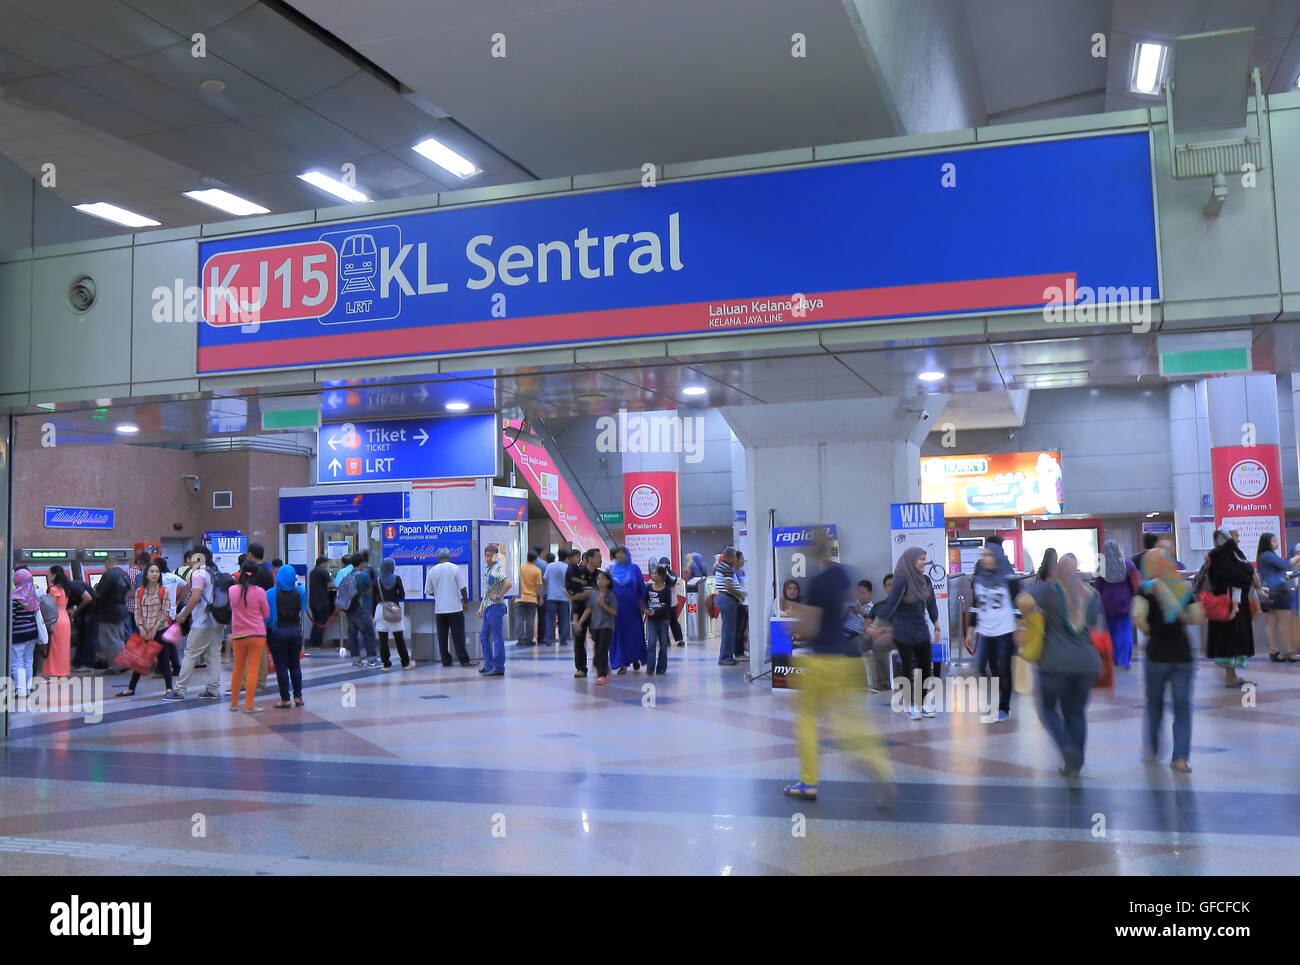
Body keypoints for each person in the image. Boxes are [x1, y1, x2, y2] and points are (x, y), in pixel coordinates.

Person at [784, 530, 894, 804]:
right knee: (854, 721)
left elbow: (810, 628)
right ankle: (879, 766)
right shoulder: (845, 574)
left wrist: (792, 623)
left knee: (806, 718)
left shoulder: (817, 582)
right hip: (851, 659)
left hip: (823, 662)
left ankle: (808, 782)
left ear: (813, 551)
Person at [1021, 553, 1102, 778]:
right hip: (1086, 662)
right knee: (1076, 713)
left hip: (1055, 662)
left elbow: (1023, 601)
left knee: (1047, 709)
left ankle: (1067, 747)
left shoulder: (1050, 590)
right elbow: (1093, 622)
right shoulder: (1090, 593)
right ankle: (1074, 764)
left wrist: (1036, 615)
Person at [1135, 543, 1198, 773]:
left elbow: (1138, 619)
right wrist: (1179, 613)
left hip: (1157, 656)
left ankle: (1152, 749)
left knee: (1154, 705)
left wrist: (1152, 631)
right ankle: (1180, 759)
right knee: (1182, 708)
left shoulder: (1145, 589)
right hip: (1183, 655)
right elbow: (1197, 617)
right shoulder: (1182, 587)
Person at [873, 547, 941, 720]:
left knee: (926, 666)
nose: (923, 562)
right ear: (910, 561)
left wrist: (937, 626)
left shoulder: (925, 580)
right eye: (920, 559)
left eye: (924, 558)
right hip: (903, 629)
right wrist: (875, 625)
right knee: (908, 667)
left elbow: (931, 604)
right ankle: (910, 704)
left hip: (921, 629)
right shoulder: (902, 581)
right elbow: (890, 605)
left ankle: (924, 702)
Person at [966, 543, 1020, 721]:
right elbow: (976, 604)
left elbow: (1018, 603)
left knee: (1004, 668)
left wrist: (1019, 628)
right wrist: (970, 630)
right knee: (984, 666)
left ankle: (1004, 706)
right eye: (984, 555)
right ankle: (1001, 693)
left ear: (997, 556)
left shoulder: (1009, 578)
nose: (987, 559)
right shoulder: (978, 578)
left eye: (990, 555)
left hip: (1005, 629)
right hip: (985, 630)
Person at [1203, 530, 1256, 689]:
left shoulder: (1219, 557)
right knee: (1231, 641)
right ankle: (1230, 677)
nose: (1237, 540)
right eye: (1234, 537)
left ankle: (1232, 676)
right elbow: (1240, 577)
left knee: (1230, 641)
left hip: (1227, 606)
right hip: (1229, 607)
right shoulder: (1225, 558)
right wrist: (1249, 578)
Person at [117, 563, 178, 699]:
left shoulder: (164, 591)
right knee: (140, 660)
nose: (155, 574)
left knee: (164, 658)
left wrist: (154, 629)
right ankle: (131, 688)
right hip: (144, 630)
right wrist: (141, 628)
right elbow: (137, 611)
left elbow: (164, 613)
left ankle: (169, 688)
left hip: (160, 629)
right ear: (146, 574)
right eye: (152, 571)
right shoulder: (139, 591)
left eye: (157, 571)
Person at [173, 547, 224, 700]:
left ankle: (180, 690)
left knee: (190, 654)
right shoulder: (216, 572)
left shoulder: (199, 573)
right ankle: (213, 689)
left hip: (202, 621)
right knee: (214, 654)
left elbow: (195, 597)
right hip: (218, 620)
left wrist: (183, 614)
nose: (189, 560)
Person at [228, 561, 270, 713]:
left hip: (238, 634)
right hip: (257, 634)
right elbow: (266, 614)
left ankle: (233, 704)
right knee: (252, 669)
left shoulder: (232, 590)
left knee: (238, 669)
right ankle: (249, 705)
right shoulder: (260, 591)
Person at [1092, 540, 1139, 671]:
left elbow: (1097, 587)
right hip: (1124, 600)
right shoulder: (1127, 565)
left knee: (1112, 632)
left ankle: (1116, 659)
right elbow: (1135, 584)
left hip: (1108, 603)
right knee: (1126, 631)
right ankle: (1126, 661)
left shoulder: (1101, 567)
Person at [266, 563, 307, 707]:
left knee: (281, 667)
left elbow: (268, 617)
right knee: (295, 666)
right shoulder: (301, 592)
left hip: (277, 632)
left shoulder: (270, 593)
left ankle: (285, 699)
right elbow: (303, 610)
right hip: (295, 632)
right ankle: (298, 697)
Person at [1256, 532, 1298, 662]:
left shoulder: (1264, 556)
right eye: (1274, 540)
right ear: (1267, 543)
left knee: (1272, 622)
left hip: (1270, 592)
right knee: (1286, 622)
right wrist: (1296, 557)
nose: (1276, 542)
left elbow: (1281, 569)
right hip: (1279, 591)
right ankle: (1290, 652)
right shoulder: (1268, 555)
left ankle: (1273, 651)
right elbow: (1285, 564)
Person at [426, 548, 472, 666]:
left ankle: (446, 660)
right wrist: (465, 602)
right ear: (449, 557)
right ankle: (463, 660)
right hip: (455, 608)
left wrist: (438, 593)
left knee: (442, 637)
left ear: (438, 558)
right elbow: (463, 588)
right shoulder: (454, 568)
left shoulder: (432, 571)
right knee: (458, 636)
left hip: (440, 609)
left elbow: (429, 591)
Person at [607, 545, 648, 673]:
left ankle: (635, 658)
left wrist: (643, 606)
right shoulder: (610, 568)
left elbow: (641, 588)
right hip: (616, 609)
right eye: (617, 553)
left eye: (622, 552)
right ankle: (622, 663)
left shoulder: (634, 568)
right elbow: (605, 586)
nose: (619, 555)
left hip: (632, 609)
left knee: (633, 635)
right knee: (618, 635)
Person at [576, 568, 617, 683]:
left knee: (602, 650)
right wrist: (579, 623)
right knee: (597, 650)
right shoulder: (593, 594)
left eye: (603, 579)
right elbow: (588, 609)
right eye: (598, 579)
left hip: (607, 626)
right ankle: (605, 669)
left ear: (608, 581)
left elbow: (614, 612)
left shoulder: (611, 596)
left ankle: (602, 675)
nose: (599, 581)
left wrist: (603, 604)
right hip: (595, 626)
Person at [93, 554, 131, 673]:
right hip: (121, 609)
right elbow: (130, 591)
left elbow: (98, 592)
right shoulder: (124, 574)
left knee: (109, 640)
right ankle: (123, 663)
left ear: (108, 564)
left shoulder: (108, 575)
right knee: (119, 638)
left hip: (108, 611)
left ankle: (117, 666)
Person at [478, 544, 511, 676]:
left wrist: (498, 595)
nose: (488, 558)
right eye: (486, 555)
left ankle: (498, 667)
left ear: (496, 556)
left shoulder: (497, 568)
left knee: (496, 637)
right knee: (484, 636)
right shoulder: (488, 568)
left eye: (491, 555)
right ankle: (489, 665)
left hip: (496, 606)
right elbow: (487, 590)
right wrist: (481, 606)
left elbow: (508, 583)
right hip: (488, 607)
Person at [10, 569, 43, 699]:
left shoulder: (14, 597)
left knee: (17, 663)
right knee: (28, 661)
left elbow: (11, 620)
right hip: (32, 633)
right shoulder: (32, 596)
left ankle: (21, 690)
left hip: (18, 635)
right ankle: (28, 687)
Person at [373, 558, 412, 670]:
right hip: (393, 609)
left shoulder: (377, 580)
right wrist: (395, 595)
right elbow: (402, 596)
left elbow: (373, 599)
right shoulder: (397, 579)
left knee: (383, 639)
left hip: (380, 609)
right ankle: (405, 663)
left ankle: (386, 664)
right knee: (399, 638)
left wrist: (373, 616)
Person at [569, 548, 602, 678]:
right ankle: (581, 668)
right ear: (588, 559)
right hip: (578, 611)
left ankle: (600, 666)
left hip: (597, 613)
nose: (600, 560)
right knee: (579, 640)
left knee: (599, 639)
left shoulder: (601, 575)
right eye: (597, 557)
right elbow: (572, 594)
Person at [713, 546, 745, 665]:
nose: (736, 559)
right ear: (731, 556)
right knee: (729, 630)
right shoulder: (727, 568)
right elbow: (728, 587)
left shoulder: (722, 566)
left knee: (728, 630)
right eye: (736, 557)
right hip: (728, 600)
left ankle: (727, 655)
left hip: (725, 599)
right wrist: (740, 593)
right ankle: (725, 658)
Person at [44, 565, 77, 679]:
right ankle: (62, 671)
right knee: (63, 647)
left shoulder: (54, 589)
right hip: (65, 617)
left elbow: (50, 606)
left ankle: (54, 672)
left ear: (54, 575)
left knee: (54, 647)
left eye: (49, 574)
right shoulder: (64, 588)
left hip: (56, 618)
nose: (47, 576)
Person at [347, 555, 380, 669]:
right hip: (362, 610)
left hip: (349, 610)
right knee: (369, 635)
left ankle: (356, 660)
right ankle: (371, 660)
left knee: (352, 636)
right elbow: (370, 591)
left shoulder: (347, 575)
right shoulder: (364, 576)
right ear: (361, 563)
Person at [645, 565, 674, 675]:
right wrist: (645, 609)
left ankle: (661, 668)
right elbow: (643, 601)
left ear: (661, 576)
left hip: (663, 620)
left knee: (663, 644)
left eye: (654, 573)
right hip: (651, 620)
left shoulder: (666, 589)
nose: (652, 575)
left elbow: (667, 605)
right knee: (651, 643)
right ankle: (650, 667)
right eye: (652, 573)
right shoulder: (648, 588)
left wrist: (656, 611)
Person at [542, 551, 572, 645]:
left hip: (551, 596)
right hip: (564, 596)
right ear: (567, 557)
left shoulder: (550, 566)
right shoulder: (567, 567)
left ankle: (548, 639)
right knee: (564, 619)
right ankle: (563, 639)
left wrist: (551, 586)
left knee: (549, 618)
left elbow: (545, 579)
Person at [307, 556, 334, 652]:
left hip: (313, 601)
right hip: (322, 601)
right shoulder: (323, 571)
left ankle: (313, 642)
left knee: (316, 622)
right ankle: (316, 643)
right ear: (323, 563)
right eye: (327, 563)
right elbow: (330, 585)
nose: (327, 565)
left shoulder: (312, 572)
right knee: (321, 623)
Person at [516, 550, 543, 646]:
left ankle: (520, 639)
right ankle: (529, 640)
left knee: (519, 619)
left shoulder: (520, 568)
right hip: (532, 598)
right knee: (530, 620)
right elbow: (539, 586)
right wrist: (541, 598)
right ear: (535, 559)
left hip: (519, 598)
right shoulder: (537, 570)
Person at [658, 557, 686, 646]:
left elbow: (672, 582)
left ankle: (679, 639)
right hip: (662, 603)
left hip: (672, 602)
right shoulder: (658, 574)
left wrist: (666, 573)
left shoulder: (672, 574)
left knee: (673, 621)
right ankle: (665, 641)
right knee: (663, 622)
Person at [124, 550, 150, 635]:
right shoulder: (145, 574)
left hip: (127, 608)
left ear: (138, 561)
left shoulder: (124, 572)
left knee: (128, 634)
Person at [734, 550, 750, 658]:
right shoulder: (732, 573)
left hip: (744, 602)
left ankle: (742, 651)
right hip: (738, 603)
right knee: (738, 628)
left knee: (743, 627)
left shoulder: (742, 572)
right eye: (741, 559)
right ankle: (738, 652)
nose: (743, 561)